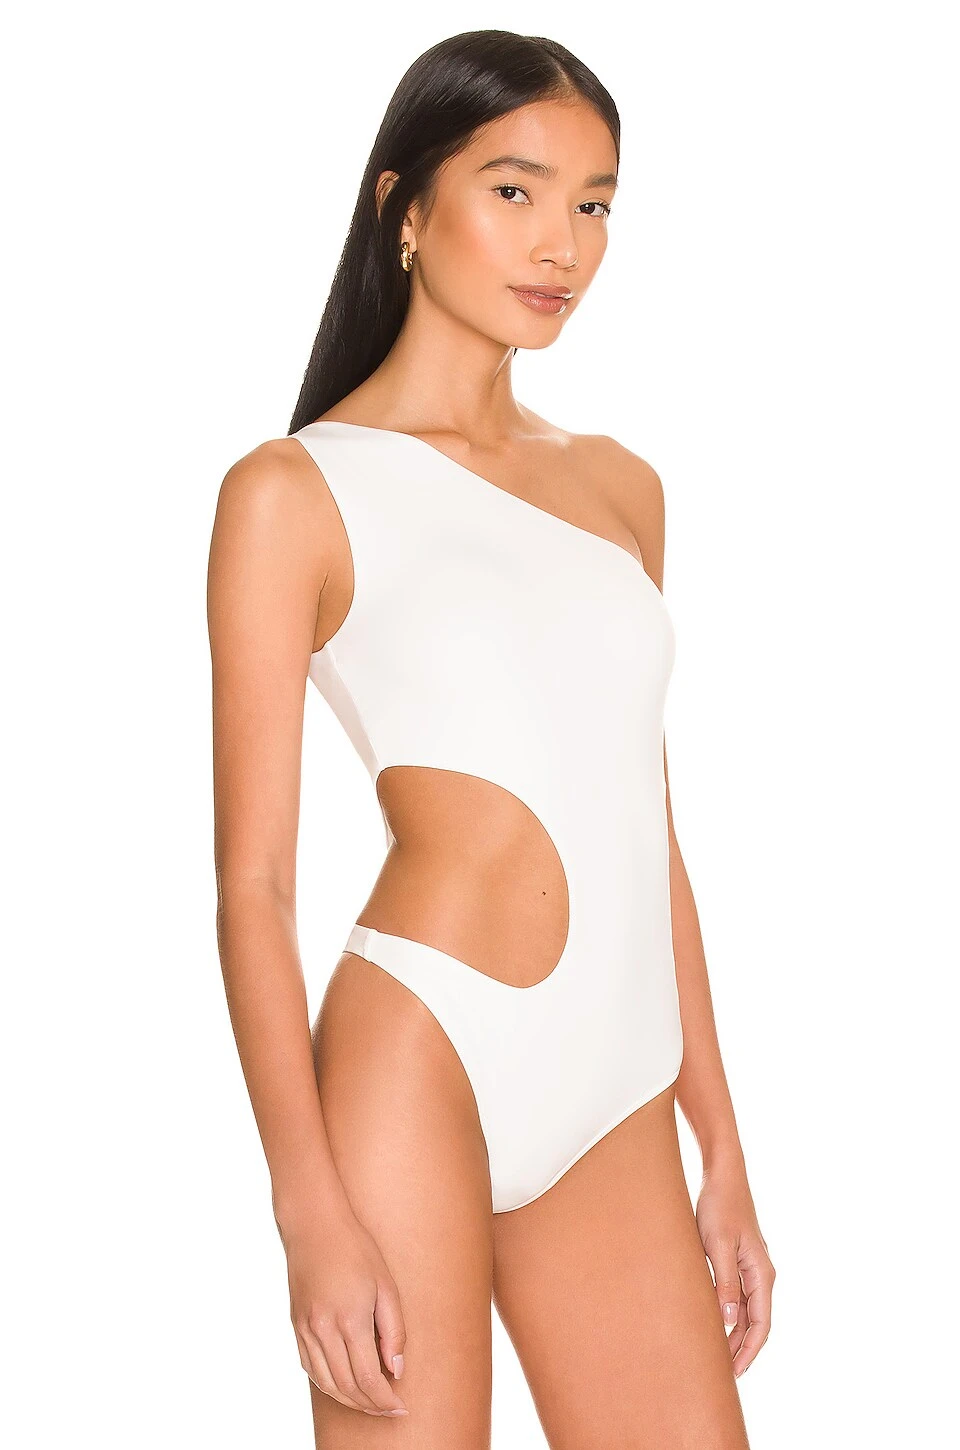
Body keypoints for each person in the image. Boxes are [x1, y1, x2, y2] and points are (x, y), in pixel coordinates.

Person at [207, 28, 774, 1449]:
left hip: (616, 1087)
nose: (561, 245)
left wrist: (721, 1141)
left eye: (594, 203)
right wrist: (308, 1209)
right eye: (514, 190)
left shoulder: (621, 487)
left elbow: (648, 832)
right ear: (404, 206)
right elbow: (252, 887)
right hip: (422, 1058)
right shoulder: (292, 493)